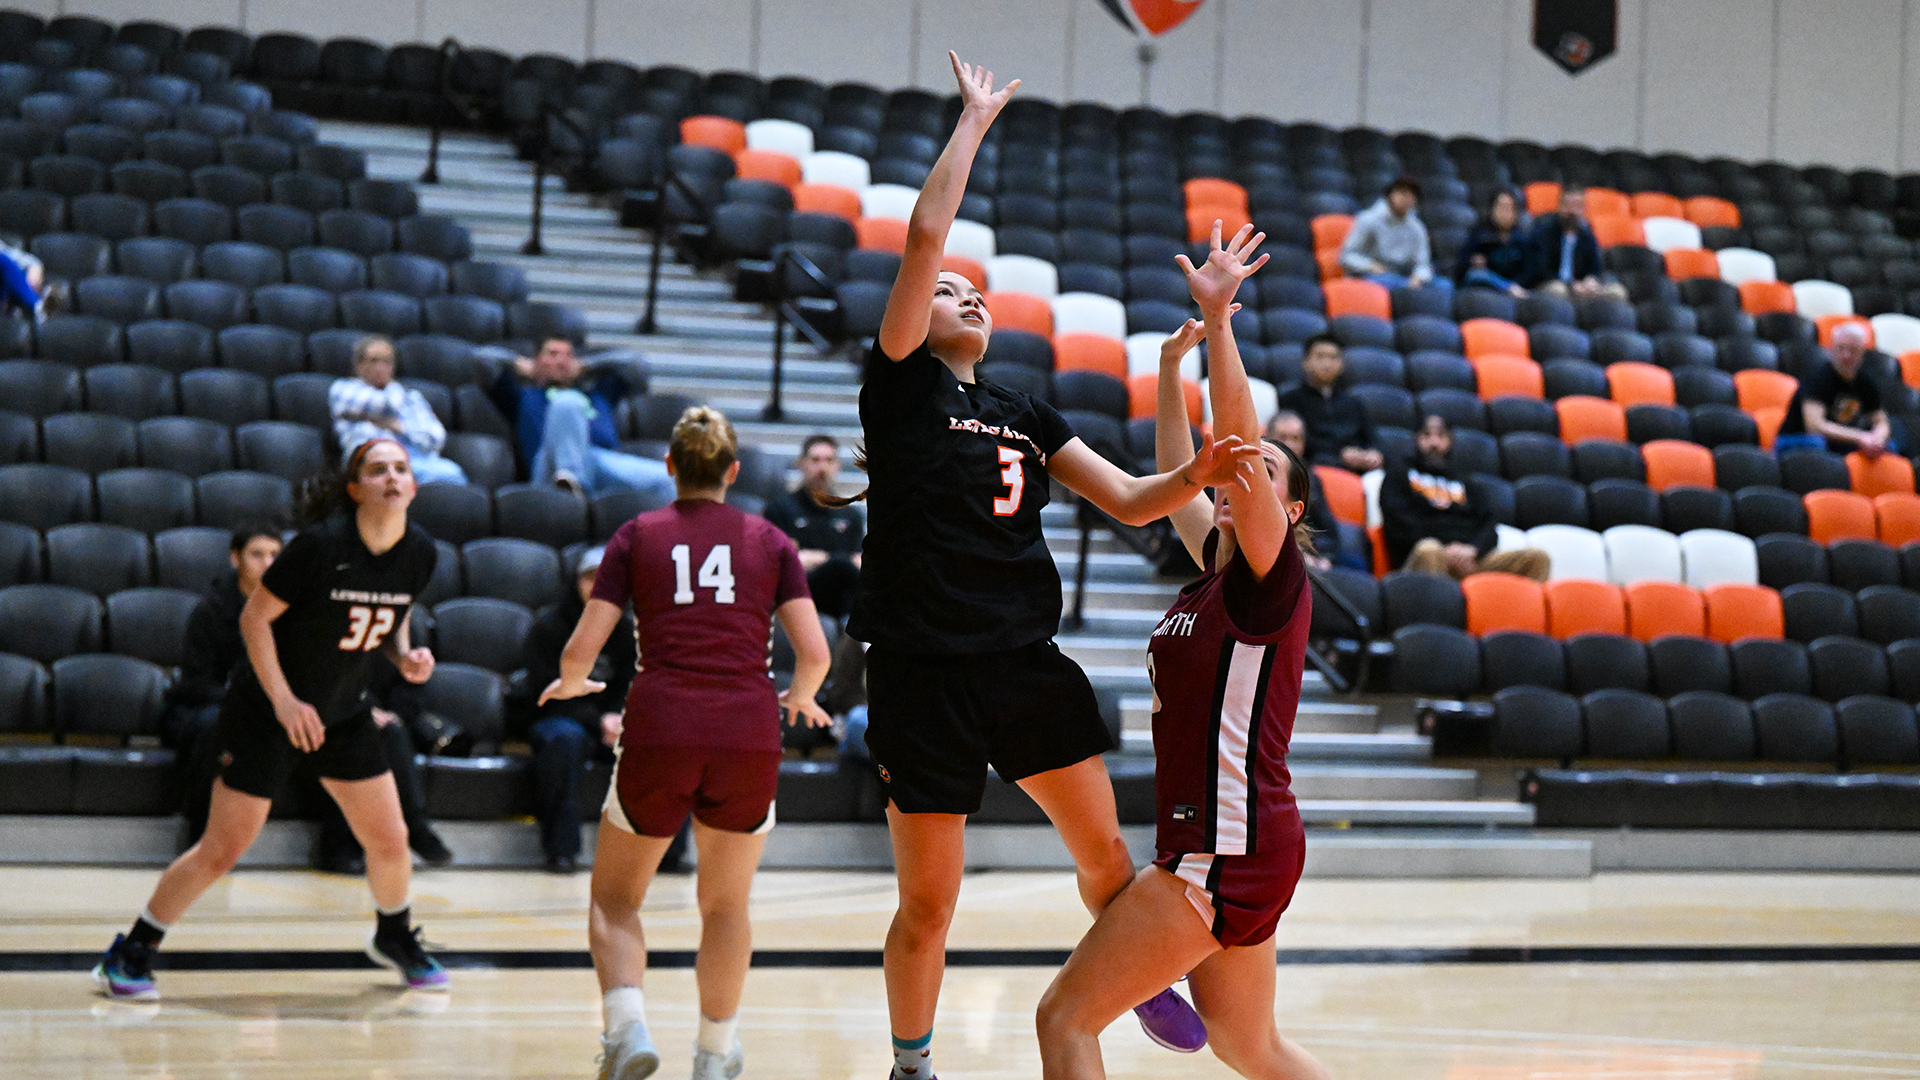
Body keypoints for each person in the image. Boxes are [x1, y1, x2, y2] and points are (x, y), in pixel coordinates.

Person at [846, 53, 1263, 1080]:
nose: (966, 294)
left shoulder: (1028, 412)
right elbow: (925, 236)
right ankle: (912, 1063)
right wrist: (974, 125)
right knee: (928, 903)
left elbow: (1127, 499)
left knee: (1109, 860)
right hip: (920, 672)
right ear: (912, 316)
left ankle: (1136, 974)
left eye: (978, 293)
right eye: (949, 293)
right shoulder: (899, 391)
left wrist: (1197, 471)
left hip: (1023, 662)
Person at [1035, 220, 1329, 1080]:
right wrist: (1170, 368)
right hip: (1238, 840)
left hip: (1223, 847)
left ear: (1291, 512)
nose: (1242, 476)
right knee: (1251, 1047)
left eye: (1266, 475)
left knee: (1065, 1018)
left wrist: (1224, 322)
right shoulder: (1216, 570)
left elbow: (1229, 457)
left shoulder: (1273, 583)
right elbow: (1185, 476)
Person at [92, 439, 449, 1000]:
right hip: (265, 710)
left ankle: (394, 933)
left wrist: (403, 655)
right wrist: (284, 701)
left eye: (401, 468)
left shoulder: (421, 552)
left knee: (390, 838)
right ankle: (133, 947)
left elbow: (392, 610)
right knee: (223, 848)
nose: (392, 477)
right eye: (378, 469)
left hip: (343, 712)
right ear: (355, 490)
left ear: (414, 485)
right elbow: (255, 621)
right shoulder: (319, 546)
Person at [538, 405, 834, 1080]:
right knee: (726, 905)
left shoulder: (637, 534)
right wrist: (803, 698)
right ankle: (715, 1052)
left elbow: (581, 649)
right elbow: (813, 653)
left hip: (662, 723)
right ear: (732, 471)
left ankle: (627, 1028)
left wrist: (574, 683)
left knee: (616, 898)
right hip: (748, 729)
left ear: (670, 468)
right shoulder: (771, 540)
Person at [518, 544, 634, 875]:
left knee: (658, 746)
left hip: (614, 721)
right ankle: (561, 851)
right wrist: (601, 720)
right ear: (577, 582)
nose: (599, 586)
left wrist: (621, 717)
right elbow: (543, 691)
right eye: (590, 578)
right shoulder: (550, 627)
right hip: (559, 717)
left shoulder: (627, 632)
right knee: (561, 742)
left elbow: (633, 684)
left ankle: (665, 851)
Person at [169, 526, 284, 847]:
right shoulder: (210, 610)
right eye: (257, 554)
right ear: (236, 559)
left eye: (275, 555)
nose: (268, 563)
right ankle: (198, 841)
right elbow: (195, 683)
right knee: (217, 726)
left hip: (266, 705)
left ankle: (341, 848)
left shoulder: (289, 612)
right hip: (205, 706)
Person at [312, 652, 454, 874]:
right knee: (355, 736)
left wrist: (393, 715)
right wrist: (363, 712)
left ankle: (344, 847)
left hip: (381, 726)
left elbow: (412, 687)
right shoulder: (330, 629)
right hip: (321, 718)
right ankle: (415, 827)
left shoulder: (393, 633)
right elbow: (319, 680)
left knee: (390, 734)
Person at [486, 336, 676, 501]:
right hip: (548, 464)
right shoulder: (523, 396)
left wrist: (589, 366)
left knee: (673, 479)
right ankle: (569, 481)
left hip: (599, 462)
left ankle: (574, 486)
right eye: (552, 354)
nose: (561, 362)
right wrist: (516, 364)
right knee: (567, 402)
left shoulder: (598, 393)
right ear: (537, 361)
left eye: (568, 356)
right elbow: (482, 359)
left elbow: (637, 365)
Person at [1382, 415, 1549, 582]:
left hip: (1469, 560)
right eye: (1426, 436)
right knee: (1429, 550)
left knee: (1536, 558)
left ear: (1450, 442)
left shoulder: (1467, 483)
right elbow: (1397, 522)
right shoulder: (1399, 474)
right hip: (1424, 558)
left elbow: (1489, 523)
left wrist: (1473, 549)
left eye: (1441, 436)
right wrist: (1447, 550)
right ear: (1416, 440)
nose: (1434, 443)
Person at [329, 334, 468, 485]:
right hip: (371, 460)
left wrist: (400, 427)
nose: (381, 368)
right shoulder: (343, 389)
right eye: (374, 360)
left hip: (414, 460)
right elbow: (386, 406)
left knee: (453, 474)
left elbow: (436, 437)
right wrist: (394, 396)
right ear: (359, 365)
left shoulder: (411, 396)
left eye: (387, 362)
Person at [764, 434, 864, 620]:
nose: (822, 467)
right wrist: (838, 559)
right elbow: (783, 563)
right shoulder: (781, 510)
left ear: (837, 466)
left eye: (829, 460)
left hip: (844, 595)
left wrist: (818, 557)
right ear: (801, 464)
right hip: (800, 593)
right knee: (841, 565)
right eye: (815, 460)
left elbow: (859, 561)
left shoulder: (850, 515)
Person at [1774, 322, 1897, 457]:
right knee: (1818, 444)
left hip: (1837, 441)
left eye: (1853, 350)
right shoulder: (1818, 378)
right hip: (1797, 440)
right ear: (1831, 350)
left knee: (1888, 446)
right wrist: (1861, 437)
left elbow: (1881, 420)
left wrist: (1877, 437)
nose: (1846, 356)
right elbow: (1815, 426)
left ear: (1862, 353)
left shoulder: (1866, 382)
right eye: (1841, 348)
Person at [1263, 410, 1366, 573]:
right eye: (1283, 437)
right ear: (1268, 438)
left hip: (1310, 558)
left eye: (1296, 439)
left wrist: (1323, 558)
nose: (1290, 445)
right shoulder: (1254, 474)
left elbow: (1325, 527)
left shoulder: (1310, 479)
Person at [1273, 334, 1383, 473]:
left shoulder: (1354, 403)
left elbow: (1372, 439)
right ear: (1305, 362)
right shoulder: (1290, 399)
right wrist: (1341, 454)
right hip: (1313, 468)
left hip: (1359, 470)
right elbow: (1297, 442)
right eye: (1320, 356)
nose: (1327, 363)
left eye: (1333, 358)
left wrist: (1373, 454)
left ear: (1341, 364)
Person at [1338, 176, 1449, 299]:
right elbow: (1347, 256)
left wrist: (1419, 277)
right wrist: (1370, 266)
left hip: (1401, 277)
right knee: (1388, 283)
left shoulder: (1417, 228)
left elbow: (1423, 263)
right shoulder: (1369, 219)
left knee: (1444, 285)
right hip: (1372, 275)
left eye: (1411, 195)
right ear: (1390, 195)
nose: (1406, 198)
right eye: (1402, 193)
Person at [1519, 187, 1628, 301]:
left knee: (1617, 291)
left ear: (1583, 209)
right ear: (1559, 207)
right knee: (1559, 290)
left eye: (1577, 206)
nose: (1572, 211)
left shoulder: (1587, 235)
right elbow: (1541, 271)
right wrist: (1571, 285)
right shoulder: (1544, 233)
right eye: (1567, 205)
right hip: (1550, 286)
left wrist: (1591, 280)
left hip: (1582, 289)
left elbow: (1596, 268)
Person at [1455, 188, 1530, 297]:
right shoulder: (1479, 234)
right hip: (1486, 289)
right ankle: (1507, 288)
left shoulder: (1522, 238)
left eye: (1509, 208)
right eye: (1501, 207)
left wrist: (1517, 284)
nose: (1505, 213)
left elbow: (1528, 272)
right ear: (1492, 209)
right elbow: (1461, 269)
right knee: (1477, 275)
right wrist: (1473, 262)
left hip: (1516, 289)